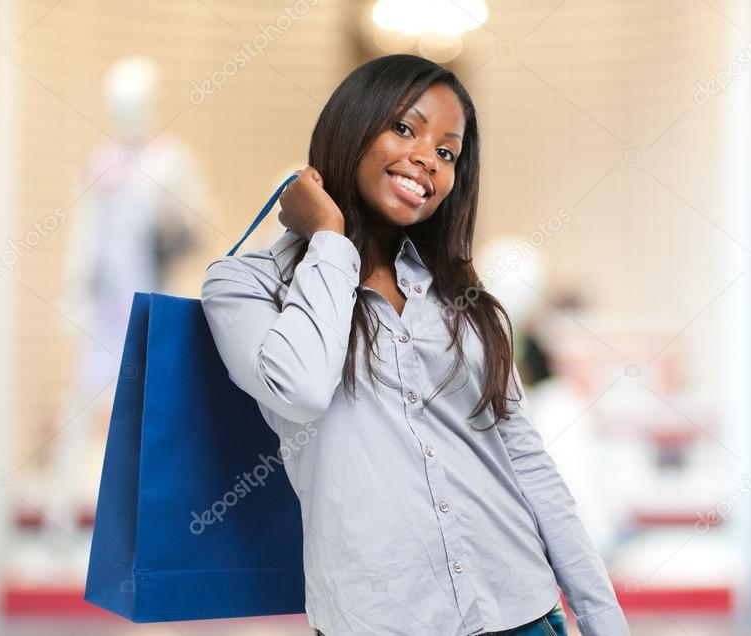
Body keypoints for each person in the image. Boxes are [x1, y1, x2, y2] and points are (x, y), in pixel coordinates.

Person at [200, 54, 629, 636]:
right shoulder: (245, 285)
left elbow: (526, 460)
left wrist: (603, 619)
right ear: (352, 126)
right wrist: (328, 239)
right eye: (404, 128)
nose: (428, 158)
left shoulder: (460, 294)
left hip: (520, 610)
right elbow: (298, 390)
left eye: (447, 152)